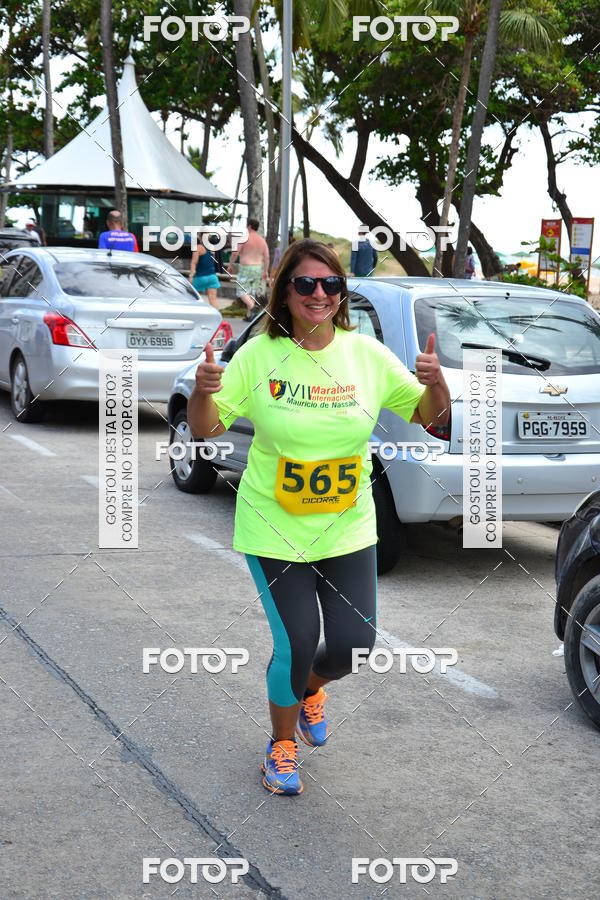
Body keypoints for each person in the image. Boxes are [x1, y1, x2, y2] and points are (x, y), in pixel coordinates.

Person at [188, 239, 450, 796]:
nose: (319, 294)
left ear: (342, 293)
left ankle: (308, 691)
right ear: (284, 291)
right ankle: (281, 746)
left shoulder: (366, 355)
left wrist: (436, 382)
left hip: (347, 524)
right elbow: (207, 430)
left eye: (330, 284)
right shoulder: (259, 357)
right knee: (298, 640)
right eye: (305, 283)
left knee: (356, 644)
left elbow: (431, 416)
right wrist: (202, 394)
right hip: (274, 526)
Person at [227, 218, 269, 321]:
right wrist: (265, 271)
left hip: (246, 267)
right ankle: (250, 316)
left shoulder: (244, 238)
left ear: (249, 226)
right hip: (258, 268)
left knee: (240, 291)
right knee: (251, 291)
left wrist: (230, 265)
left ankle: (252, 307)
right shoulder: (262, 240)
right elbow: (267, 256)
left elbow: (235, 253)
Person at [189, 239, 220, 310]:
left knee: (193, 299)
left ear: (200, 237)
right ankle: (218, 319)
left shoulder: (198, 248)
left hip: (200, 277)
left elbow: (194, 263)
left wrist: (191, 276)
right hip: (212, 277)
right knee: (213, 299)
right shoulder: (212, 247)